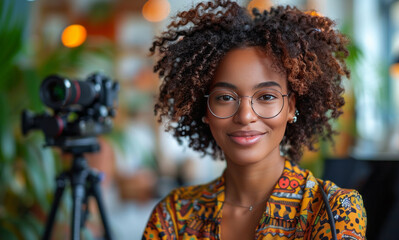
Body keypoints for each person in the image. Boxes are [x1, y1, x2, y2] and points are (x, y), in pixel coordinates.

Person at [143, 0, 367, 239]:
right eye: (226, 97)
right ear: (205, 110)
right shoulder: (173, 216)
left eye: (267, 96)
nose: (245, 116)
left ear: (291, 107)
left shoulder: (333, 210)